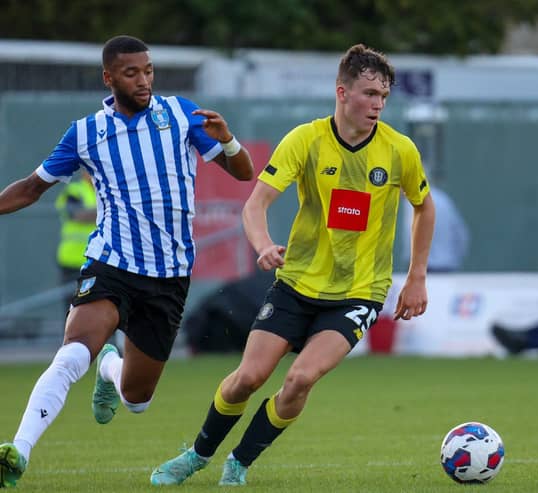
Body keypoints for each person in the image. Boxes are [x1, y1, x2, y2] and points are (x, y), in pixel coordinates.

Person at [150, 43, 435, 487]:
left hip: (359, 292)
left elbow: (424, 207)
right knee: (248, 378)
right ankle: (197, 454)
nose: (377, 104)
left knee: (301, 379)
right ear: (341, 92)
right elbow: (255, 205)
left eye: (383, 95)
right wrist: (263, 244)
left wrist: (416, 277)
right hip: (296, 284)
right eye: (368, 93)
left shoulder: (400, 151)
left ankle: (239, 462)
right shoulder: (305, 140)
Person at [0, 35, 254, 488]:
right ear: (109, 77)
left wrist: (229, 141)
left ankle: (110, 369)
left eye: (149, 71)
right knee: (73, 351)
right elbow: (31, 187)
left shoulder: (180, 114)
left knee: (138, 399)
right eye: (132, 73)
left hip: (170, 276)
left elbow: (244, 173)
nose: (144, 80)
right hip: (112, 262)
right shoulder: (85, 133)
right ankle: (17, 450)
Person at [55, 170, 97, 308]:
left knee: (102, 309)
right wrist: (112, 210)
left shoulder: (108, 192)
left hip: (99, 261)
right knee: (73, 308)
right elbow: (79, 215)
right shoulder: (74, 191)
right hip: (73, 261)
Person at [402, 184, 469, 272]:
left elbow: (414, 236)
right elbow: (462, 234)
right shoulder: (443, 199)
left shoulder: (414, 202)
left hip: (425, 269)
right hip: (448, 266)